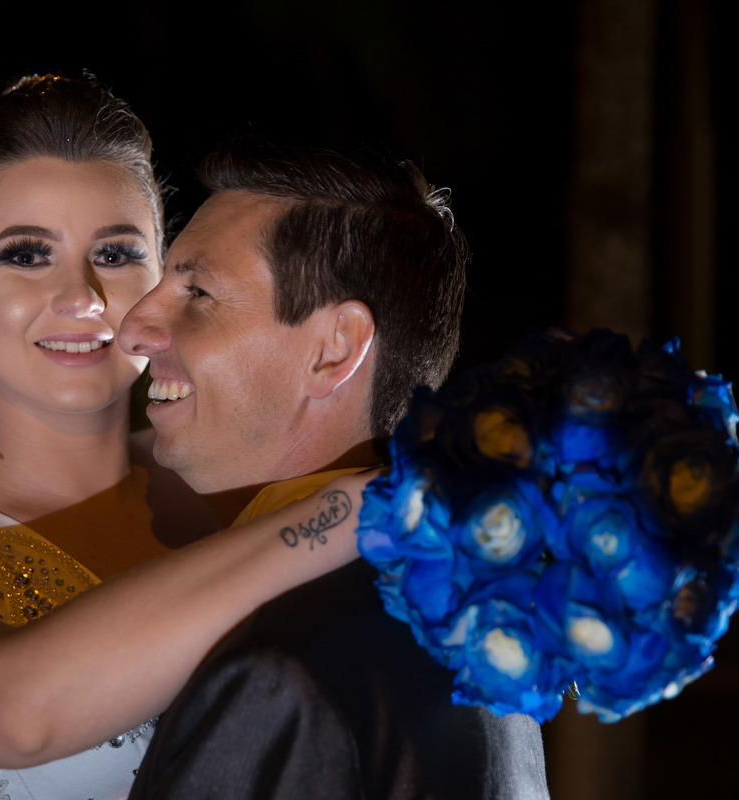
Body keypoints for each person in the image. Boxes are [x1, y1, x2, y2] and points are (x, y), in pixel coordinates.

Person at [0, 75, 372, 800]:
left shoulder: (244, 478)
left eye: (116, 254)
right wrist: (358, 511)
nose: (82, 297)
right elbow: (13, 714)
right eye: (27, 254)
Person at [118, 138, 551, 798]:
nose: (135, 326)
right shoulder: (470, 623)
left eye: (196, 292)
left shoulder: (278, 663)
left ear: (334, 349)